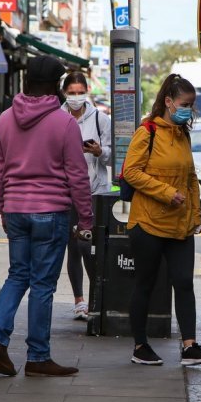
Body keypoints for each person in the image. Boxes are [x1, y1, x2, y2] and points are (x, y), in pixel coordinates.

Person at [0, 54, 93, 378]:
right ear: (55, 87)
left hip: (16, 209)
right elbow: (77, 176)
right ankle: (38, 356)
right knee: (43, 284)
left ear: (27, 81)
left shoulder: (4, 119)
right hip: (51, 212)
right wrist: (85, 218)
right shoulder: (64, 123)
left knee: (17, 276)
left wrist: (3, 207)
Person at [123, 73, 201, 366]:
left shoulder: (182, 133)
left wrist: (196, 215)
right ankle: (140, 346)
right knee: (146, 284)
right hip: (147, 222)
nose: (190, 110)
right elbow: (131, 173)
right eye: (185, 104)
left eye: (192, 105)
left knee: (184, 282)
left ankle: (190, 346)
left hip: (180, 224)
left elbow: (190, 179)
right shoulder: (147, 131)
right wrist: (165, 192)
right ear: (168, 102)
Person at [60, 71, 112, 320]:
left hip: (94, 191)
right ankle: (79, 300)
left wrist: (100, 151)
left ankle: (96, 297)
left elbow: (113, 155)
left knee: (90, 246)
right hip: (66, 191)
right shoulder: (57, 118)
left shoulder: (100, 119)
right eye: (72, 93)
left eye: (81, 92)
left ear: (87, 92)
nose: (76, 97)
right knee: (73, 247)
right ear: (64, 93)